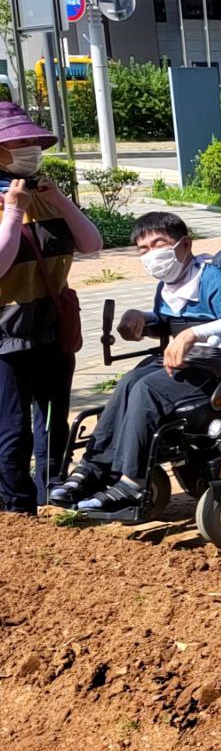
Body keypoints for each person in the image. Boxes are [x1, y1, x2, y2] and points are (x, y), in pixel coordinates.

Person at [50, 212, 221, 513]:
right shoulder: (169, 283)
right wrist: (142, 319)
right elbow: (167, 321)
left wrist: (192, 334)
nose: (151, 254)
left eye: (159, 244)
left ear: (185, 245)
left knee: (147, 388)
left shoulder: (212, 278)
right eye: (143, 249)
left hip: (216, 368)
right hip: (181, 364)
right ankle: (93, 468)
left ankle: (132, 483)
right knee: (129, 382)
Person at [0, 102, 102, 515]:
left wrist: (59, 199)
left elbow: (92, 243)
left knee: (51, 425)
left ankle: (51, 495)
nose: (30, 150)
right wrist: (13, 212)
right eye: (18, 143)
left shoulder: (42, 195)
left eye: (33, 143)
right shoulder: (13, 203)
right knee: (11, 431)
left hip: (52, 328)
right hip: (5, 335)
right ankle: (17, 509)